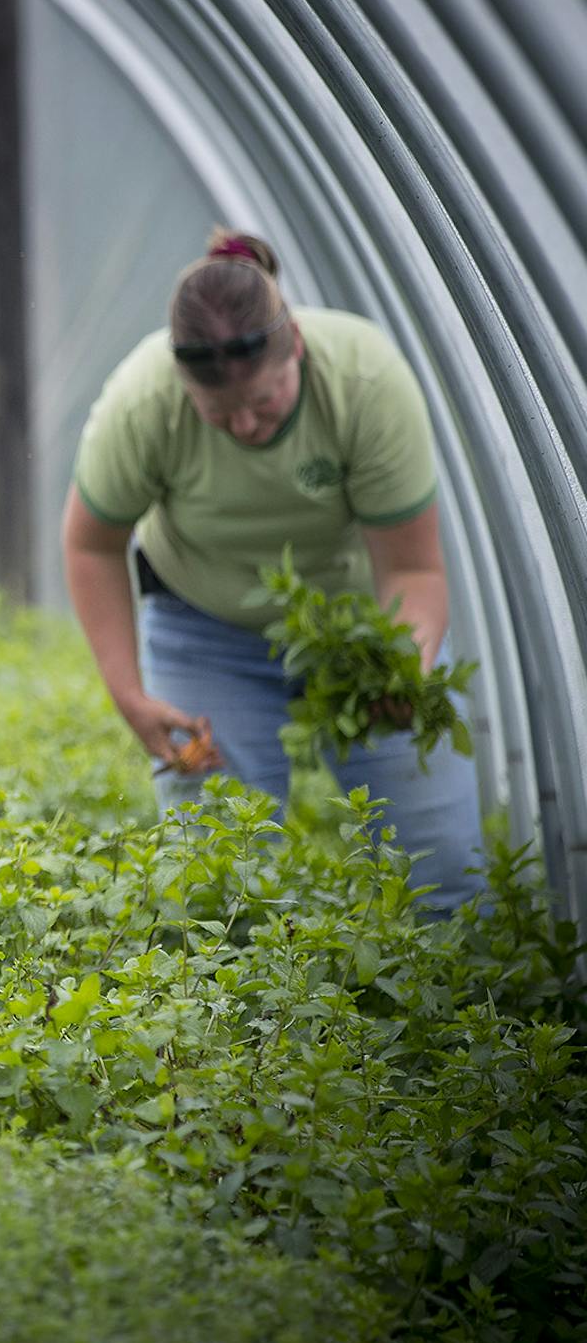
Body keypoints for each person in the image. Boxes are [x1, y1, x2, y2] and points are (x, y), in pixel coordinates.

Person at [62, 227, 483, 914]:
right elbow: (91, 544)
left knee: (439, 874)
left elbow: (413, 570)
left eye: (265, 401)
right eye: (220, 414)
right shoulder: (143, 403)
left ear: (297, 349)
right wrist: (127, 692)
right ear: (183, 387)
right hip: (207, 632)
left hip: (355, 635)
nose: (249, 426)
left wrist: (402, 665)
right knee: (221, 883)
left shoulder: (365, 380)